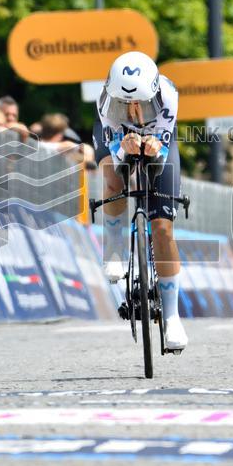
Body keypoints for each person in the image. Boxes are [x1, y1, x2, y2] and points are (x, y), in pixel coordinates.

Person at [93, 51, 186, 351]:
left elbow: (161, 150)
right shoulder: (104, 102)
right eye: (125, 105)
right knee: (111, 172)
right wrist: (122, 149)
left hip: (157, 138)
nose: (133, 112)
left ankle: (172, 317)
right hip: (116, 136)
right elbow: (115, 150)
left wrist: (153, 146)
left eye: (141, 105)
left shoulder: (169, 95)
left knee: (162, 228)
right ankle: (115, 248)